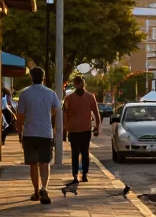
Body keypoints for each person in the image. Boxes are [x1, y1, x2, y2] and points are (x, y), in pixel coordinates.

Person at [16, 66, 61, 204]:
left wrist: (20, 133)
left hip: (30, 133)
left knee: (33, 164)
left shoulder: (24, 94)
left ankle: (36, 191)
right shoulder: (51, 93)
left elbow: (20, 116)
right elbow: (56, 111)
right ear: (44, 78)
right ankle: (44, 188)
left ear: (31, 77)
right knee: (45, 162)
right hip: (46, 133)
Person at [63, 75, 101, 183]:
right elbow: (96, 113)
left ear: (75, 84)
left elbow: (65, 115)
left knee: (76, 153)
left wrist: (65, 128)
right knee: (84, 152)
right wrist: (97, 125)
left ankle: (77, 174)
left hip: (76, 130)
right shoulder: (89, 97)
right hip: (82, 130)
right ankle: (83, 174)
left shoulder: (69, 98)